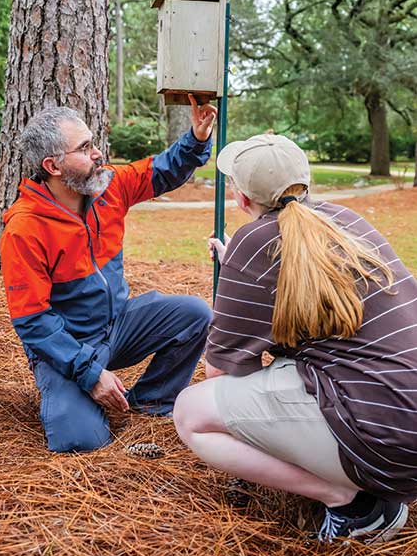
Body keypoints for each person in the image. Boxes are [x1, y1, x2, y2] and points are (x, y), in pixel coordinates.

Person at [173, 133, 417, 544]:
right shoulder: (346, 219)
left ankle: (352, 504)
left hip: (389, 438)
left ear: (242, 199)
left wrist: (238, 276)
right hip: (403, 411)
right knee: (292, 369)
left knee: (191, 414)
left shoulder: (254, 244)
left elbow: (222, 370)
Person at [0, 96, 216, 453]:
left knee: (195, 315)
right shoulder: (25, 229)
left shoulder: (107, 187)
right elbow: (33, 321)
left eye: (93, 142)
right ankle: (78, 393)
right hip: (67, 346)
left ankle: (148, 403)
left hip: (117, 326)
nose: (98, 153)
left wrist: (196, 137)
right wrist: (89, 373)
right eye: (84, 148)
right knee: (79, 442)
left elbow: (161, 171)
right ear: (53, 165)